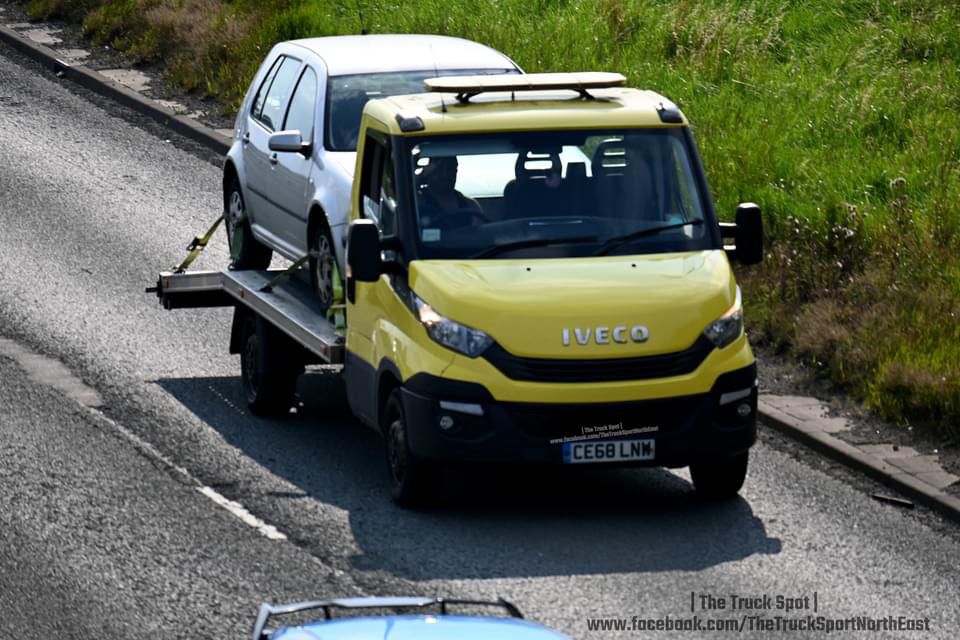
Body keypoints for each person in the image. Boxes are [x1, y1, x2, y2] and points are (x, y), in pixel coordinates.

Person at [416, 156, 484, 230]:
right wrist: (421, 177)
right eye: (439, 170)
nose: (445, 175)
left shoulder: (470, 205)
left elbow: (481, 234)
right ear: (429, 172)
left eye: (450, 170)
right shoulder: (418, 201)